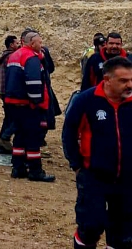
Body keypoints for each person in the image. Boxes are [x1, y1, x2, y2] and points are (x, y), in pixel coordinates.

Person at [62, 56, 132, 248]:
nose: (129, 85)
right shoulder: (86, 100)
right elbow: (68, 133)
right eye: (123, 81)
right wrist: (77, 165)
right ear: (107, 80)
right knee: (91, 226)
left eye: (131, 80)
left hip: (127, 179)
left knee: (123, 233)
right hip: (94, 176)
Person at [3, 31, 55, 182]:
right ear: (32, 44)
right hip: (28, 104)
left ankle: (18, 167)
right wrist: (37, 103)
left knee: (20, 135)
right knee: (33, 137)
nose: (42, 45)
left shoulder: (15, 55)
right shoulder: (31, 58)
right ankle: (35, 170)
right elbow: (33, 83)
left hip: (14, 103)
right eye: (40, 42)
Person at [0, 35, 20, 154]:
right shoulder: (11, 57)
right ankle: (4, 139)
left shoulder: (3, 57)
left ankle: (2, 145)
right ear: (11, 45)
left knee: (8, 117)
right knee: (14, 118)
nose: (18, 45)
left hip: (4, 91)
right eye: (16, 43)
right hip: (9, 92)